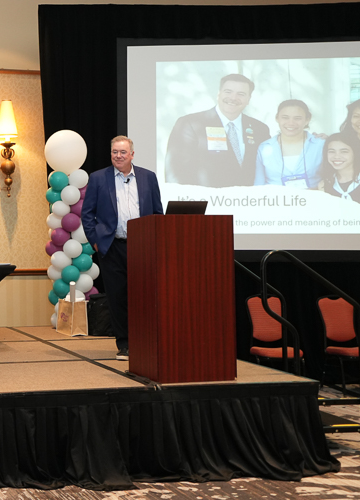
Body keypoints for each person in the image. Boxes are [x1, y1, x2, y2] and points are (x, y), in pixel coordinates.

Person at [81, 136, 163, 360]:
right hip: (112, 247)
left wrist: (156, 241)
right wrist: (96, 241)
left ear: (132, 155)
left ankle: (144, 342)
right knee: (117, 297)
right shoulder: (98, 178)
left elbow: (158, 212)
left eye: (123, 152)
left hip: (143, 248)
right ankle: (124, 344)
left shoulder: (148, 177)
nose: (118, 156)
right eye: (115, 152)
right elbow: (87, 214)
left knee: (144, 296)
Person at [165, 73, 271, 187]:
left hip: (250, 197)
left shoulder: (260, 129)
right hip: (206, 197)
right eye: (228, 92)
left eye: (241, 94)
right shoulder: (190, 124)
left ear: (248, 99)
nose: (233, 98)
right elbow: (176, 171)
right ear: (219, 94)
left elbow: (268, 169)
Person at [254, 99, 324, 188]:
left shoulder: (321, 145)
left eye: (297, 118)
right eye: (285, 117)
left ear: (307, 119)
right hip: (275, 197)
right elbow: (259, 185)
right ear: (277, 118)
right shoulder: (264, 148)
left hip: (314, 196)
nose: (291, 123)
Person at [320, 132, 360, 204]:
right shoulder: (324, 185)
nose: (336, 156)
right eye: (331, 151)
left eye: (344, 151)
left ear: (355, 153)